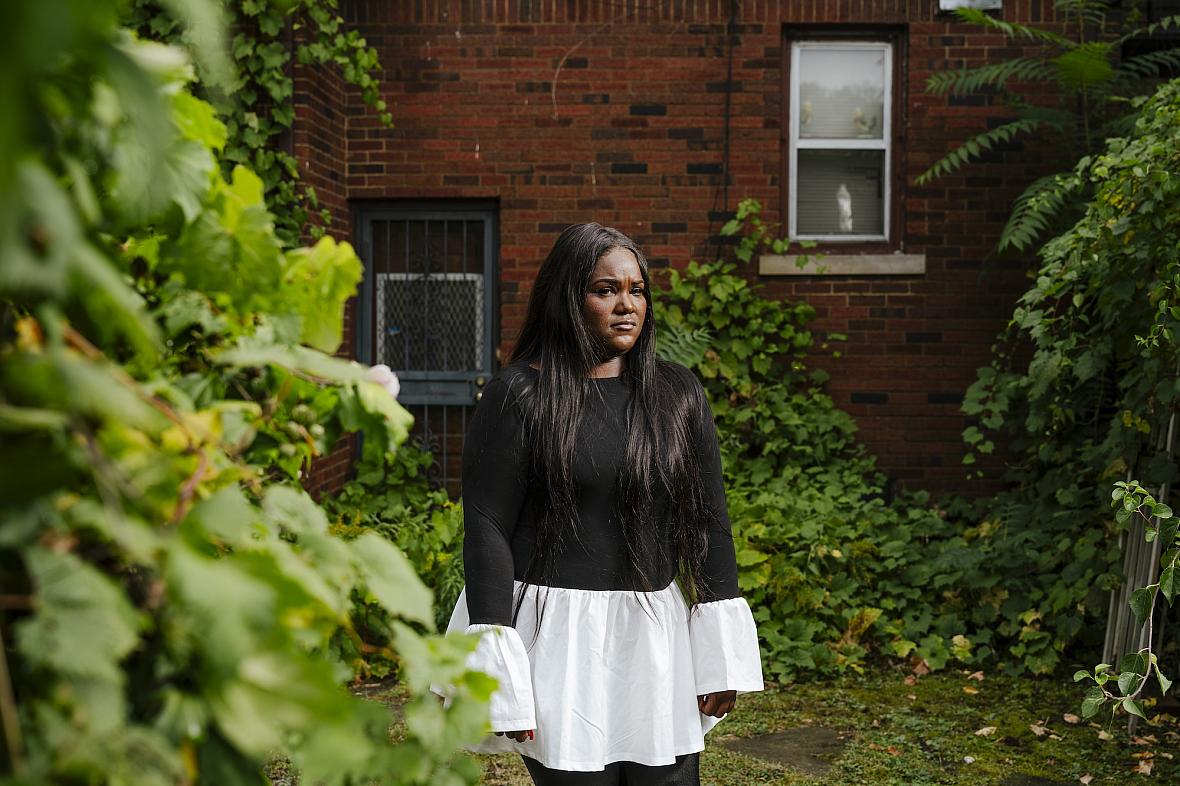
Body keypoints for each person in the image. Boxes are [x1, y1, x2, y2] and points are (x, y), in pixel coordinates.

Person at [443, 223, 763, 785]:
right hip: (560, 641)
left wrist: (720, 656)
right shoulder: (519, 395)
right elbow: (488, 527)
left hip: (655, 636)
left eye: (637, 290)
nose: (626, 305)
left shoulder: (678, 395)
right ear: (569, 298)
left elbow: (709, 522)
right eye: (605, 289)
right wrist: (501, 671)